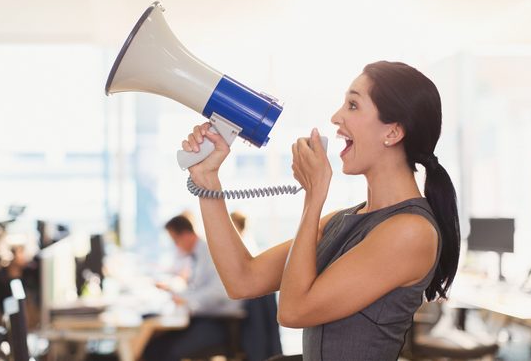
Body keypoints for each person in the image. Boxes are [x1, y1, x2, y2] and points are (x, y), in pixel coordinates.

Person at [181, 61, 460, 360]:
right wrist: (207, 179)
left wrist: (314, 198)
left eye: (353, 105)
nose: (336, 117)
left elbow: (293, 311)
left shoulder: (410, 232)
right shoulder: (343, 221)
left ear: (392, 132)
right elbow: (243, 279)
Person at [143, 214, 243, 361]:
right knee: (154, 345)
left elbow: (221, 292)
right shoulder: (198, 253)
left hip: (219, 324)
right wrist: (177, 294)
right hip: (207, 319)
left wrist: (185, 300)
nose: (176, 246)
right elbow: (199, 288)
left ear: (186, 235)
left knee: (160, 351)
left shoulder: (210, 251)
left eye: (175, 241)